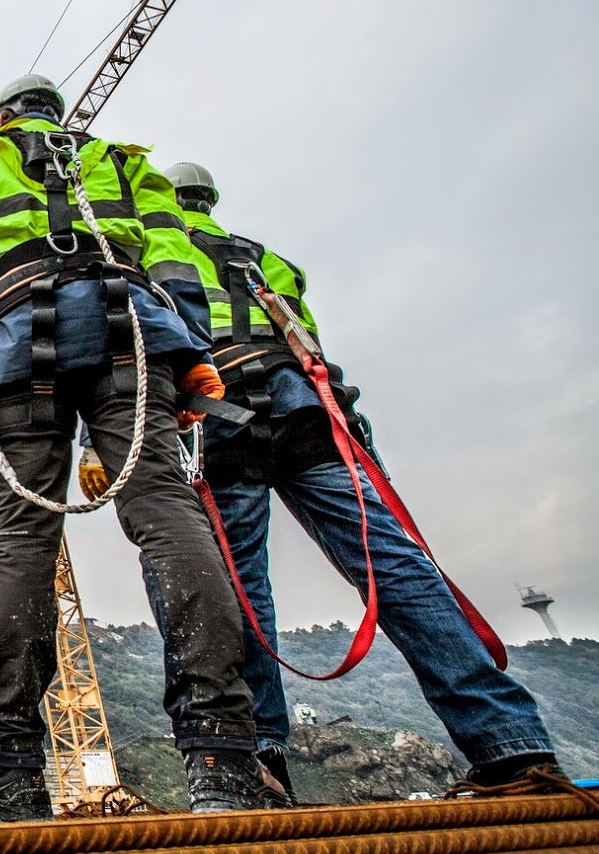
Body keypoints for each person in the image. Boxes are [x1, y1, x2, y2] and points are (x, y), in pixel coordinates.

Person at [0, 75, 288, 820]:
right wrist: (197, 350)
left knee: (21, 541)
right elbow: (174, 253)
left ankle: (11, 769)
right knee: (169, 514)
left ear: (3, 121)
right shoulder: (117, 161)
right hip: (133, 334)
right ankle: (223, 758)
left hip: (18, 342)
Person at [126, 160, 563, 797]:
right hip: (306, 410)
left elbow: (144, 340)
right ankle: (510, 745)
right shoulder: (263, 258)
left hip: (216, 411)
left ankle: (259, 760)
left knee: (235, 588)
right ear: (209, 200)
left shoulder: (148, 246)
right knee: (394, 565)